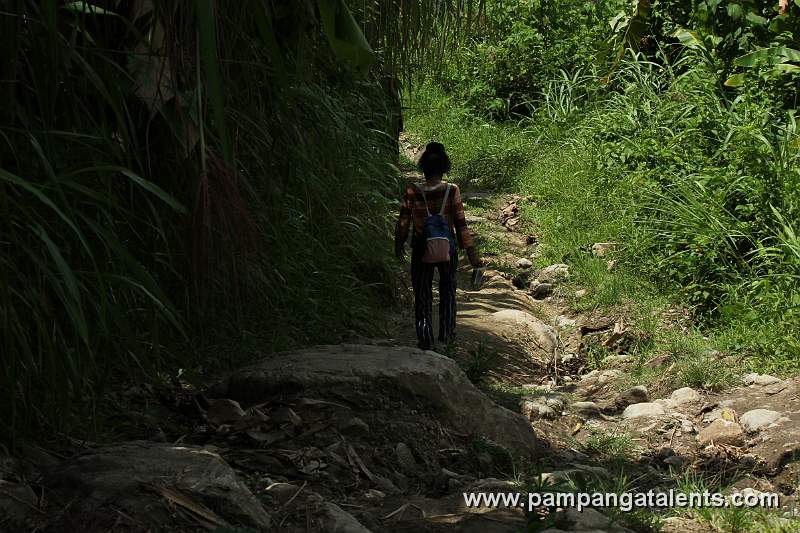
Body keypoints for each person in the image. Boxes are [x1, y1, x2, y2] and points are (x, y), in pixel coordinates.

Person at [394, 142, 482, 351]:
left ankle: (425, 338)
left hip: (421, 247)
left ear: (423, 168)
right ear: (444, 168)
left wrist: (398, 245)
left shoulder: (412, 191)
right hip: (447, 247)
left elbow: (403, 222)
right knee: (448, 289)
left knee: (423, 293)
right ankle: (447, 336)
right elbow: (461, 224)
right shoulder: (452, 191)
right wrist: (472, 255)